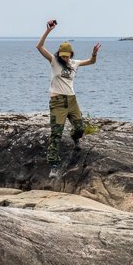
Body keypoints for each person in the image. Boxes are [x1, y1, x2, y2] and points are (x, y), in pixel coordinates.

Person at [36, 20, 101, 178]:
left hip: (72, 101)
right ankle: (53, 165)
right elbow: (39, 47)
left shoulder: (74, 63)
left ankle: (75, 139)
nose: (65, 58)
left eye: (67, 56)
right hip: (58, 102)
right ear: (59, 54)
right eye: (62, 56)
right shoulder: (54, 61)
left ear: (71, 54)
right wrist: (48, 31)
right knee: (56, 134)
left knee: (80, 128)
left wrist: (94, 53)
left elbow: (92, 62)